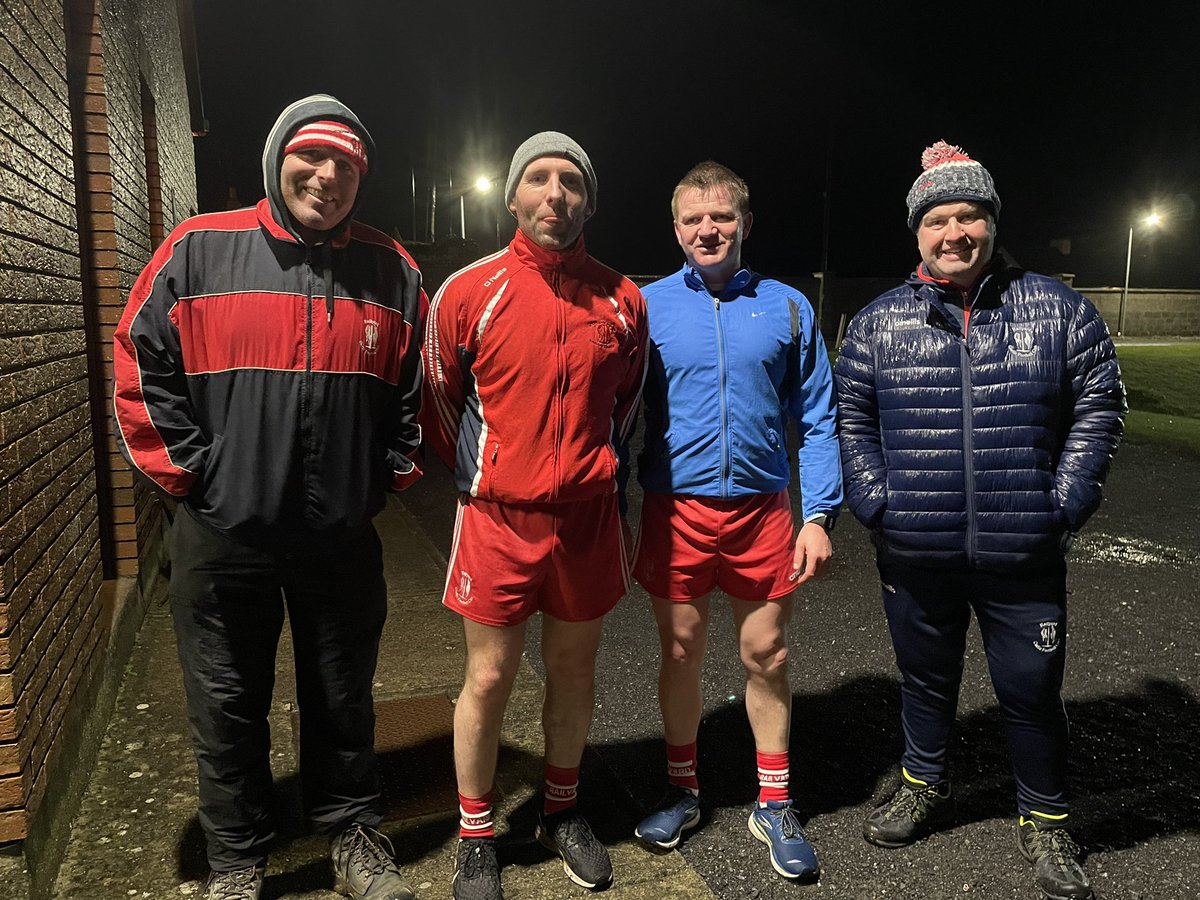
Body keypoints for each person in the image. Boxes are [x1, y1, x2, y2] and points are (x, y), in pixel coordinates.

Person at [112, 95, 426, 900]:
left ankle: (352, 838)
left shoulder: (392, 271)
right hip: (224, 536)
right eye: (310, 158)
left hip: (338, 536)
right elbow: (139, 362)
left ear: (361, 178)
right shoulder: (198, 249)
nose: (326, 177)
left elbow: (416, 391)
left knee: (343, 696)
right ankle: (236, 859)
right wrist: (195, 476)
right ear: (277, 158)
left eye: (345, 165)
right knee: (226, 703)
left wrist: (383, 477)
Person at [833, 141, 1125, 900]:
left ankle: (1047, 818)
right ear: (917, 231)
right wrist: (877, 502)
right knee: (925, 683)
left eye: (968, 216)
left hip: (1022, 550)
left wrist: (1064, 502)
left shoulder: (1060, 310)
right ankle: (922, 783)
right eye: (937, 219)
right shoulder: (877, 323)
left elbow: (1099, 405)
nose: (953, 232)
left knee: (1030, 691)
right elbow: (852, 418)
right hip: (915, 548)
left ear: (992, 222)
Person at [421, 132, 648, 900]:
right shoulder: (467, 291)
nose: (556, 194)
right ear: (514, 195)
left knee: (574, 671)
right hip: (497, 520)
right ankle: (476, 835)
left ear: (589, 201)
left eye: (572, 181)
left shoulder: (623, 298)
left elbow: (625, 407)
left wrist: (590, 474)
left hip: (586, 520)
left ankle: (560, 810)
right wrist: (488, 473)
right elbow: (441, 399)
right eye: (540, 179)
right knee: (488, 678)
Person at [630, 161, 843, 882]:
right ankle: (683, 791)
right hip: (676, 512)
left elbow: (818, 419)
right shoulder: (646, 306)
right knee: (680, 652)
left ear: (745, 223)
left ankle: (774, 803)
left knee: (768, 655)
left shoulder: (787, 307)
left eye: (721, 217)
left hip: (761, 513)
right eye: (693, 219)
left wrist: (818, 514)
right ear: (676, 229)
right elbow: (612, 412)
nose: (707, 230)